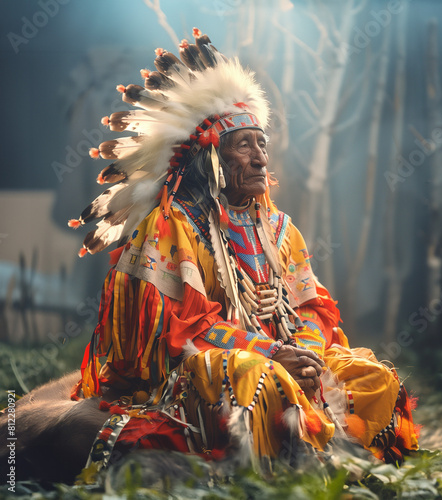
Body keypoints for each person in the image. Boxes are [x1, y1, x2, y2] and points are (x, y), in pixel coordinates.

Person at [1, 29, 418, 482]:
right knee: (257, 377)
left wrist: (308, 357)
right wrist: (275, 352)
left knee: (372, 376)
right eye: (244, 145)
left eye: (262, 143)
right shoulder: (174, 227)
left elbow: (311, 306)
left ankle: (335, 454)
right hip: (202, 371)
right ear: (212, 159)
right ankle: (271, 472)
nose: (261, 158)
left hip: (289, 360)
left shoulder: (279, 230)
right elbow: (181, 332)